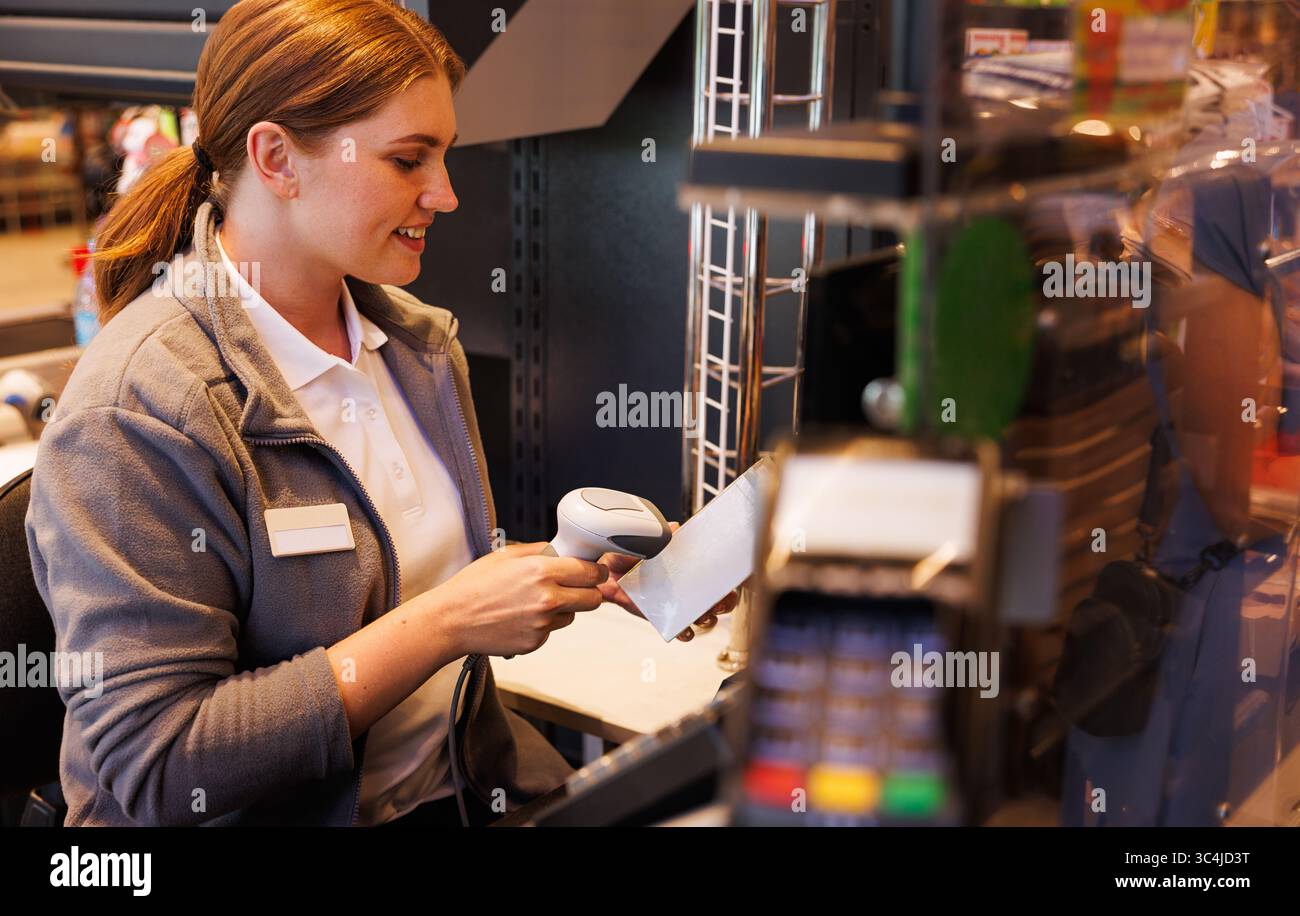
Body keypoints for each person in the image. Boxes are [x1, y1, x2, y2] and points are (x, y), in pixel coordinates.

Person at [25, 0, 732, 827]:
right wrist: (447, 624)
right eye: (408, 160)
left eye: (445, 156)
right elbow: (162, 770)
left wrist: (589, 574)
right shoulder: (140, 411)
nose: (446, 195)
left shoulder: (417, 346)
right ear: (277, 158)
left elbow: (431, 582)